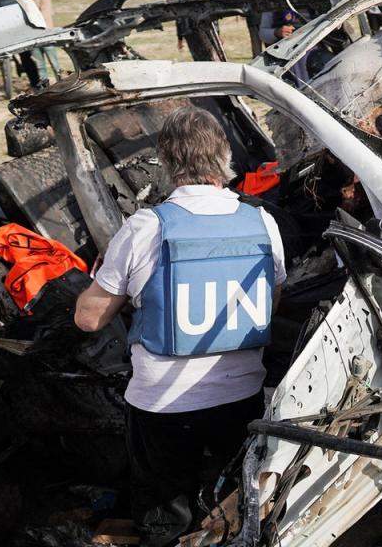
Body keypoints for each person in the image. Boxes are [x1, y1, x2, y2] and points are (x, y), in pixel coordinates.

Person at [75, 106, 287, 546]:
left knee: (163, 518)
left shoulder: (144, 226)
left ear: (167, 161)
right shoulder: (262, 220)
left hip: (162, 406)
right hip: (241, 396)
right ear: (225, 155)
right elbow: (273, 299)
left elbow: (89, 318)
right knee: (236, 501)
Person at [19, 0, 61, 82]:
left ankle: (61, 82)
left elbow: (44, 15)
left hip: (46, 36)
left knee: (54, 63)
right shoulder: (24, 2)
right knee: (40, 66)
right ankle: (44, 87)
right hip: (33, 39)